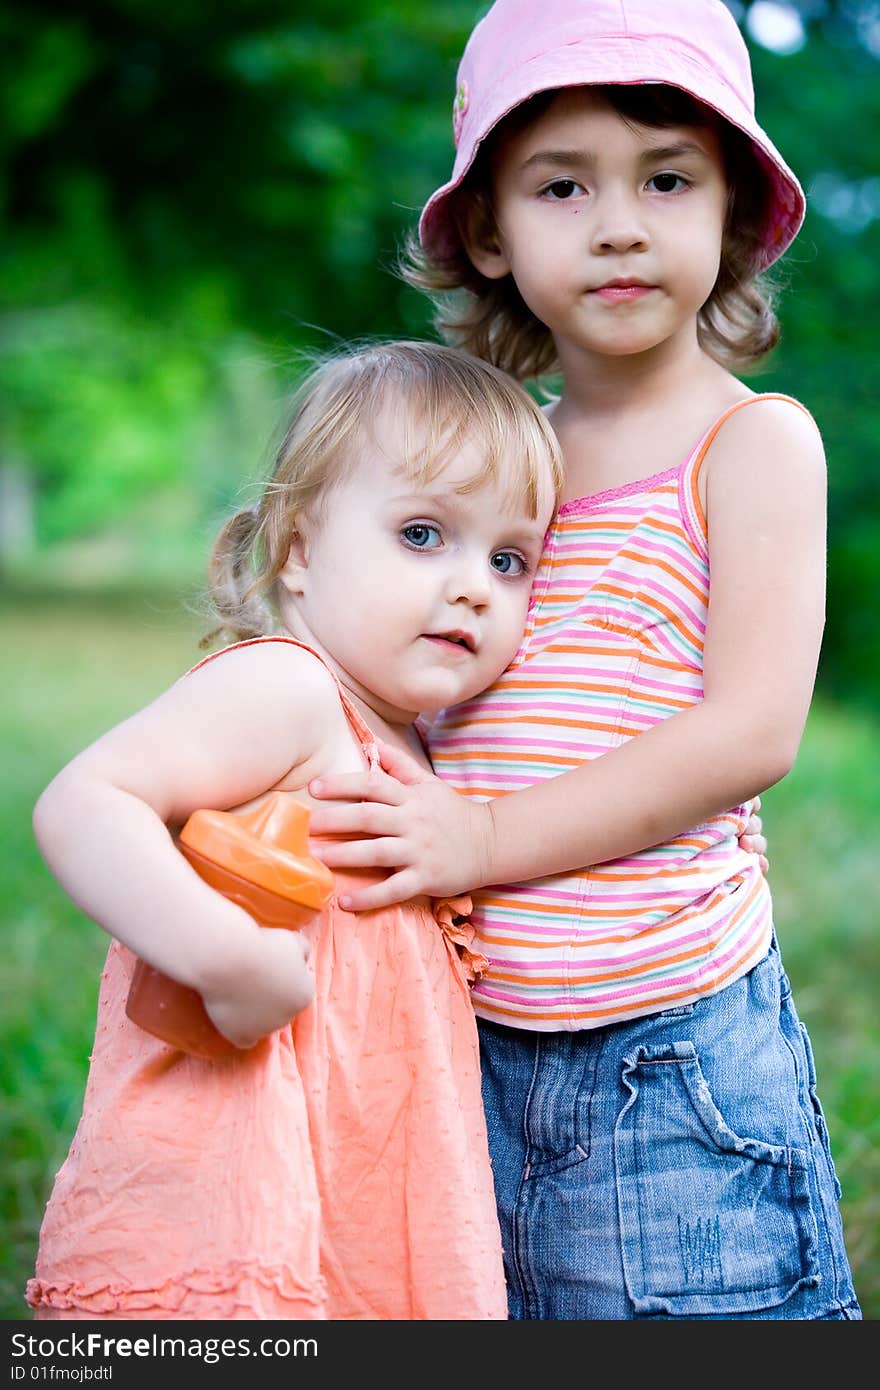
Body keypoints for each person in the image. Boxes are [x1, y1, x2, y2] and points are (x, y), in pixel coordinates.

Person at [305, 0, 862, 1319]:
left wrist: (484, 833)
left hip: (668, 1047)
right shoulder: (502, 464)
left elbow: (749, 735)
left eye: (666, 179)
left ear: (730, 213)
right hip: (475, 1036)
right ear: (492, 230)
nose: (618, 223)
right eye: (563, 186)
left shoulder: (753, 444)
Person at [26, 339, 566, 1321]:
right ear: (300, 549)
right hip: (231, 1192)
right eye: (420, 533)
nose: (474, 585)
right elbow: (84, 799)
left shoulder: (415, 749)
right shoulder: (291, 689)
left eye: (509, 557)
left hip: (355, 1193)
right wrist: (223, 952)